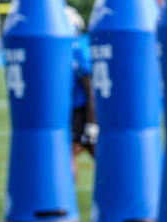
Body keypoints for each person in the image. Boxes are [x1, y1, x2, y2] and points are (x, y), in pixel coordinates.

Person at [66, 6, 98, 178]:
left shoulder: (78, 48)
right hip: (77, 110)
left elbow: (90, 88)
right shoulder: (78, 45)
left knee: (73, 154)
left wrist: (92, 124)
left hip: (83, 111)